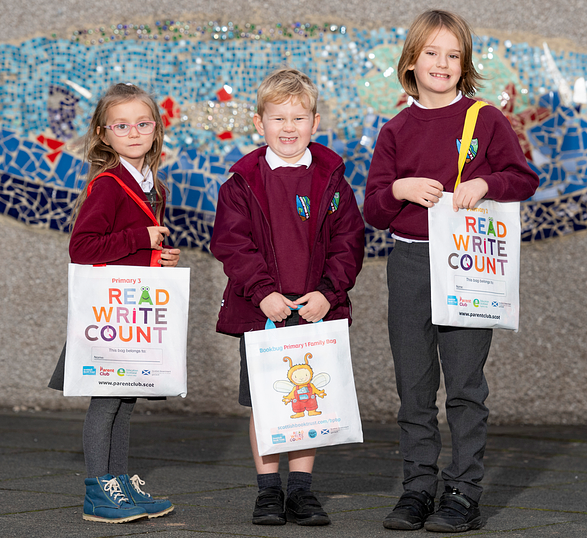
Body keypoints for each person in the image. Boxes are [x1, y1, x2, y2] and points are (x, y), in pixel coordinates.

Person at [364, 10, 539, 534]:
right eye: (432, 53)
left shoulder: (485, 120)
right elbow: (373, 208)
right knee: (413, 388)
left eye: (453, 55)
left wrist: (485, 184)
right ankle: (418, 486)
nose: (442, 63)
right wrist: (399, 190)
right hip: (411, 264)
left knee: (465, 385)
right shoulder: (394, 130)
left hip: (467, 265)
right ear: (412, 61)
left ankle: (463, 490)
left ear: (464, 64)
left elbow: (522, 177)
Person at [210, 68, 365, 526]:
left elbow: (349, 242)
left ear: (315, 122)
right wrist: (262, 294)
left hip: (316, 310)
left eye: (298, 118)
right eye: (279, 119)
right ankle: (268, 490)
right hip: (263, 313)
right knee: (265, 402)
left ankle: (301, 490)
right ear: (260, 124)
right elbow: (232, 246)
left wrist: (328, 293)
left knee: (307, 401)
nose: (289, 127)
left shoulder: (332, 180)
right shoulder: (240, 183)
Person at [48, 82, 181, 523]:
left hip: (130, 312)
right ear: (104, 134)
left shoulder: (150, 184)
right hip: (110, 314)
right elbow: (83, 247)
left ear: (156, 128)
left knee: (125, 401)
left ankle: (119, 483)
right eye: (122, 125)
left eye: (143, 123)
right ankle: (96, 491)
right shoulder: (109, 184)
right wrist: (140, 238)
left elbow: (125, 247)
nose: (134, 131)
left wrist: (156, 255)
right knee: (105, 403)